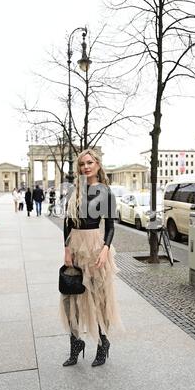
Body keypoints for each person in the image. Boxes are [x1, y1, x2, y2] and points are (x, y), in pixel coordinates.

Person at [60, 149, 122, 367]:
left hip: (96, 247)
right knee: (72, 297)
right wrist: (67, 249)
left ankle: (102, 343)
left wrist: (106, 249)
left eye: (89, 162)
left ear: (97, 164)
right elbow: (67, 222)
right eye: (82, 164)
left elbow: (112, 225)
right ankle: (76, 345)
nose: (85, 167)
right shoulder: (73, 190)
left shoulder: (106, 192)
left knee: (98, 299)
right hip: (76, 246)